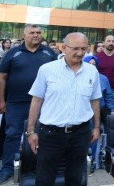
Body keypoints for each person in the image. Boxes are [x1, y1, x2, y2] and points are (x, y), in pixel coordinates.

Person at [25, 32, 102, 185]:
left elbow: (94, 101)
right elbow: (36, 100)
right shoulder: (47, 69)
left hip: (81, 133)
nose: (80, 53)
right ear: (63, 47)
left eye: (83, 48)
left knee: (75, 178)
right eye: (75, 48)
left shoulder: (92, 71)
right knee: (45, 179)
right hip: (51, 134)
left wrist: (97, 127)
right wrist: (31, 131)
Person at [0, 25, 57, 183]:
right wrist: (1, 100)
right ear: (24, 35)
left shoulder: (49, 53)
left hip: (43, 104)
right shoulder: (12, 53)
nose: (36, 35)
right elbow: (2, 77)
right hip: (16, 103)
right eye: (32, 33)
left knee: (43, 136)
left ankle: (36, 167)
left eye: (38, 33)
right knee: (12, 135)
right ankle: (7, 168)